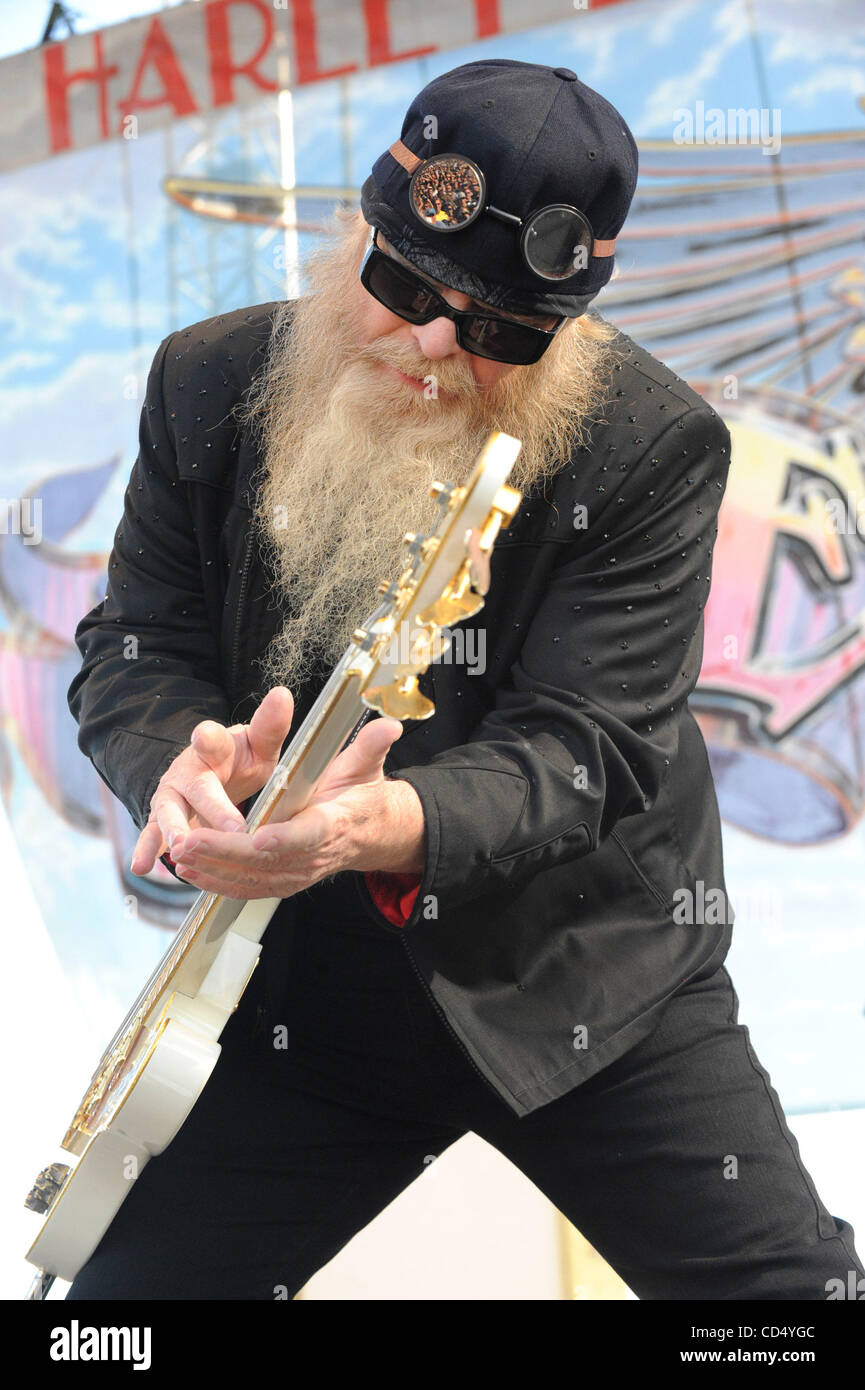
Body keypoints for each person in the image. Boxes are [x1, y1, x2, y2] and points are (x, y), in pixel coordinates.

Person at [65, 60, 863, 1300]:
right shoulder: (204, 384)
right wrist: (173, 759)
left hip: (587, 979)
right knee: (115, 1320)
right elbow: (133, 643)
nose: (433, 341)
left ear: (567, 328)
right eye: (402, 286)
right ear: (356, 238)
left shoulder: (649, 447)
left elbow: (585, 746)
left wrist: (380, 826)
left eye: (497, 330)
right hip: (306, 997)